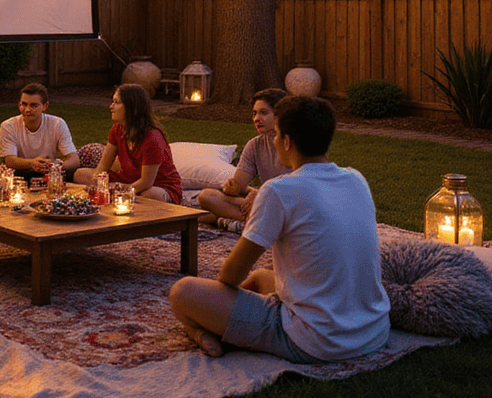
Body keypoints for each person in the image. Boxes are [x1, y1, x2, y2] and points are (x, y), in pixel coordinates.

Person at [168, 96, 390, 363]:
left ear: (287, 142)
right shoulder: (356, 179)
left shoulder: (279, 190)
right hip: (373, 331)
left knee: (183, 293)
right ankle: (210, 326)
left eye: (277, 136)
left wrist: (220, 304)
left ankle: (197, 330)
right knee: (262, 276)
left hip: (318, 340)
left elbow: (230, 276)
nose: (272, 141)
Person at [74, 83, 185, 203]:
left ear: (131, 107)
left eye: (116, 102)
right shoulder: (118, 129)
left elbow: (146, 182)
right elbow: (102, 167)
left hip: (157, 186)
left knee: (149, 194)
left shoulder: (152, 138)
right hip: (128, 180)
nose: (111, 106)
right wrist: (96, 183)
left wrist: (118, 190)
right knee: (80, 174)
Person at [197, 87, 290, 227]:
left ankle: (242, 221)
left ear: (280, 115)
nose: (257, 119)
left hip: (290, 204)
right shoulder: (255, 145)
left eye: (263, 113)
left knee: (205, 216)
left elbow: (299, 189)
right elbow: (238, 185)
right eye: (254, 113)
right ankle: (259, 222)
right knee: (207, 197)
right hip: (264, 203)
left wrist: (260, 194)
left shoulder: (295, 142)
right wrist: (232, 188)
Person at [0, 83, 80, 180]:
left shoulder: (57, 124)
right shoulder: (8, 126)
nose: (27, 110)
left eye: (34, 105)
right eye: (24, 104)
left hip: (51, 173)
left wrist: (55, 166)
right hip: (22, 173)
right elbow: (9, 160)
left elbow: (74, 160)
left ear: (45, 106)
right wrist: (31, 163)